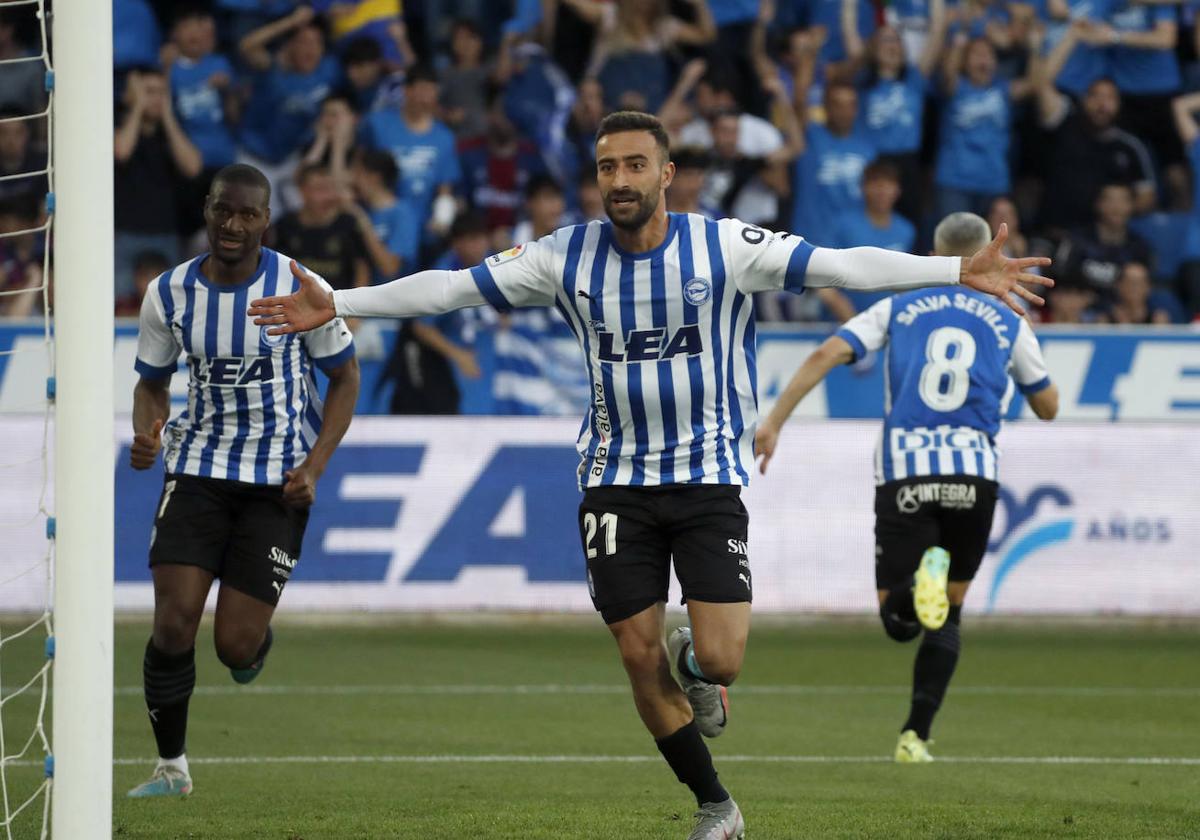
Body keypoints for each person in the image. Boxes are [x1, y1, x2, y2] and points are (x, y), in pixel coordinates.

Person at [249, 111, 1048, 839]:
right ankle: (716, 806)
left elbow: (844, 262)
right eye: (607, 168)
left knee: (722, 658)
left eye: (636, 165)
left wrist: (949, 274)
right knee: (636, 656)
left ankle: (698, 667)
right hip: (613, 481)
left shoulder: (726, 247)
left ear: (666, 174)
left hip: (705, 478)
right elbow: (452, 290)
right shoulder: (564, 256)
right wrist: (342, 300)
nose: (620, 181)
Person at [755, 211, 1059, 764]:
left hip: (906, 471)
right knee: (951, 614)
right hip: (974, 473)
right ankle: (915, 735)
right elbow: (1049, 406)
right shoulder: (1008, 320)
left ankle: (917, 582)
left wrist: (774, 421)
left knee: (899, 623)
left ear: (938, 252)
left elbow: (829, 353)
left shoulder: (897, 308)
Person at [126, 163, 359, 798]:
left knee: (233, 645)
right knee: (173, 622)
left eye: (247, 214)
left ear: (266, 221)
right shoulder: (168, 294)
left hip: (276, 484)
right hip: (197, 470)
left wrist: (314, 465)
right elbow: (152, 382)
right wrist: (148, 431)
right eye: (222, 211)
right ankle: (171, 768)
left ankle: (252, 643)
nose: (232, 224)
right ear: (207, 210)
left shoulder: (297, 286)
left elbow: (345, 377)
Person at [114, 69, 204, 298]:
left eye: (161, 92)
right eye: (148, 92)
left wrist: (168, 117)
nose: (154, 99)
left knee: (166, 302)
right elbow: (121, 151)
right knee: (120, 299)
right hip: (125, 233)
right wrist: (136, 107)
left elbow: (193, 167)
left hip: (166, 233)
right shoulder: (116, 123)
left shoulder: (172, 131)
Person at [271, 161, 370, 292]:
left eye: (331, 188)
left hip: (340, 307)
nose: (328, 197)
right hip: (296, 304)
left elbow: (362, 271)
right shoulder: (285, 225)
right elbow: (276, 270)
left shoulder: (348, 224)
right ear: (302, 191)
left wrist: (354, 307)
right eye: (320, 189)